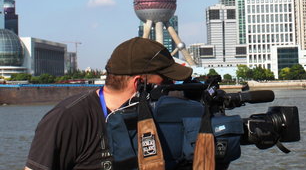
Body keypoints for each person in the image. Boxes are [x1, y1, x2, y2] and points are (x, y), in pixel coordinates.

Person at [25, 37, 193, 170]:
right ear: (139, 84)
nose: (170, 87)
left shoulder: (159, 118)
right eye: (165, 81)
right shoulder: (68, 118)